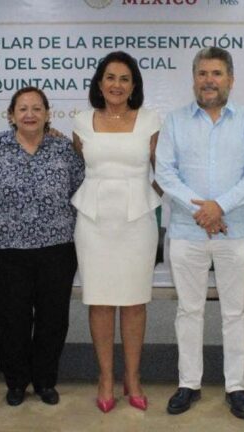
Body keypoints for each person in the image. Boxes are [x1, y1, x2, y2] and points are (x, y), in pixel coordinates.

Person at [155, 46, 244, 420]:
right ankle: (189, 383)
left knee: (235, 312)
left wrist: (218, 206)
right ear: (194, 79)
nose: (209, 80)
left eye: (216, 73)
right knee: (188, 310)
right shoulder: (174, 121)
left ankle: (235, 385)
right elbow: (165, 173)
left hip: (235, 231)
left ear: (230, 79)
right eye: (202, 73)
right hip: (187, 232)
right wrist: (202, 212)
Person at [71, 51, 161, 413]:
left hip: (137, 222)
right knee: (101, 300)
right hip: (93, 223)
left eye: (125, 79)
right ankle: (106, 378)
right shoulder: (81, 121)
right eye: (110, 77)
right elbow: (77, 168)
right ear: (99, 82)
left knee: (135, 301)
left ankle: (133, 378)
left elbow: (164, 172)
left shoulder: (151, 120)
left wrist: (150, 198)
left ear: (134, 85)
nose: (117, 85)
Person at [0, 87, 84, 407]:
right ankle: (15, 382)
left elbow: (79, 187)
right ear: (11, 115)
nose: (30, 114)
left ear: (47, 114)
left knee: (52, 319)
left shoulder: (63, 148)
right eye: (23, 109)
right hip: (6, 248)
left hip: (56, 247)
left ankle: (45, 380)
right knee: (10, 318)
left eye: (37, 108)